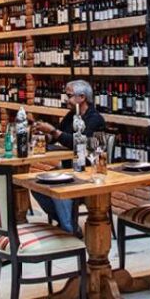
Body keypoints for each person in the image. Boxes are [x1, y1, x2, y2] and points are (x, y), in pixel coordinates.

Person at [31, 79, 105, 234]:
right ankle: (67, 223)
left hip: (88, 170)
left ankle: (69, 230)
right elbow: (59, 135)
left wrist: (53, 131)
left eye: (69, 96)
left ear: (82, 97)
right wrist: (43, 135)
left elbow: (79, 143)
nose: (66, 99)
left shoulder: (95, 118)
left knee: (60, 188)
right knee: (36, 186)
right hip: (69, 166)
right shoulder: (72, 115)